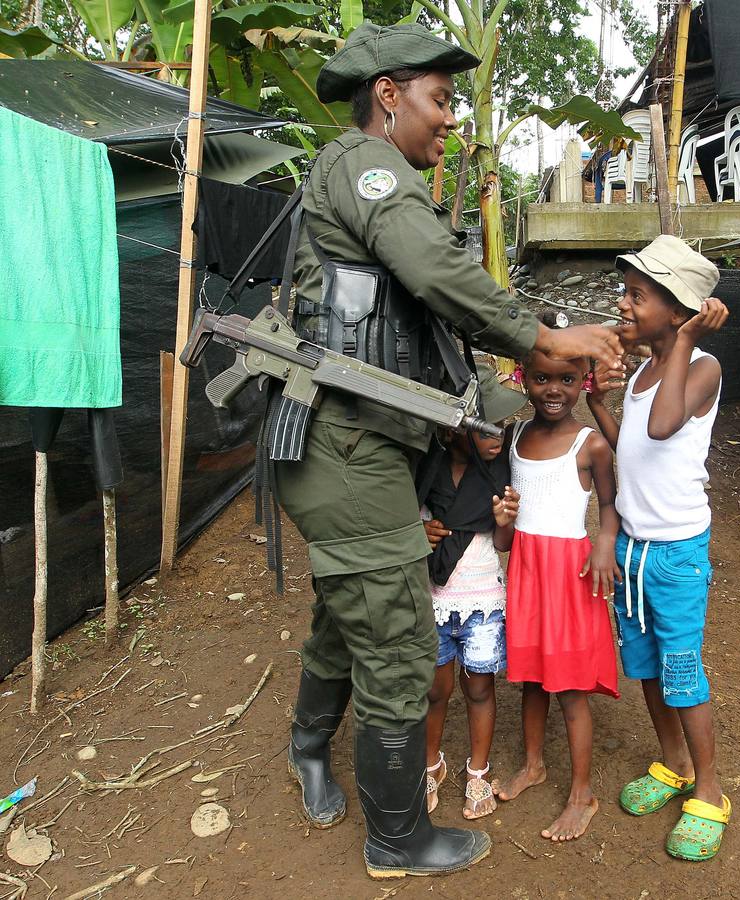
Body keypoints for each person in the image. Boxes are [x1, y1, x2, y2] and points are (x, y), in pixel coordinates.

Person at [275, 23, 624, 880]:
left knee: (344, 612)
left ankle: (307, 745)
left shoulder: (389, 201)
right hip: (342, 449)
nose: (451, 120)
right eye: (439, 99)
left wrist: (559, 401)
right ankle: (397, 839)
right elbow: (437, 271)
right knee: (397, 645)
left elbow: (453, 373)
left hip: (369, 450)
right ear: (387, 95)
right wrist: (544, 335)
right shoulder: (367, 166)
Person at [587, 235, 733, 862]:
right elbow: (634, 450)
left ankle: (711, 790)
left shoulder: (702, 369)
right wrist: (598, 402)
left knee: (682, 671)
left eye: (636, 295)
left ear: (678, 311)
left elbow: (664, 425)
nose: (623, 304)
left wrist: (691, 341)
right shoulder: (647, 370)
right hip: (636, 549)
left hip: (675, 552)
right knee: (646, 667)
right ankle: (673, 763)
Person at [496, 321, 621, 843]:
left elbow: (612, 503)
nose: (554, 390)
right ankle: (533, 765)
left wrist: (605, 542)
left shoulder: (590, 446)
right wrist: (503, 520)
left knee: (570, 688)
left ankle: (582, 794)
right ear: (523, 377)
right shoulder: (515, 436)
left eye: (567, 380)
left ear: (585, 381)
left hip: (569, 574)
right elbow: (508, 510)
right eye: (543, 378)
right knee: (531, 677)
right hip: (527, 568)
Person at [419, 367, 526, 821]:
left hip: (483, 600)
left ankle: (477, 771)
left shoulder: (500, 471)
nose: (495, 437)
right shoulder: (426, 467)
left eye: (500, 427)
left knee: (479, 688)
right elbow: (401, 515)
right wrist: (416, 532)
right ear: (453, 428)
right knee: (435, 690)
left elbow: (503, 546)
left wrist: (504, 520)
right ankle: (431, 765)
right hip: (434, 597)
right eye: (484, 429)